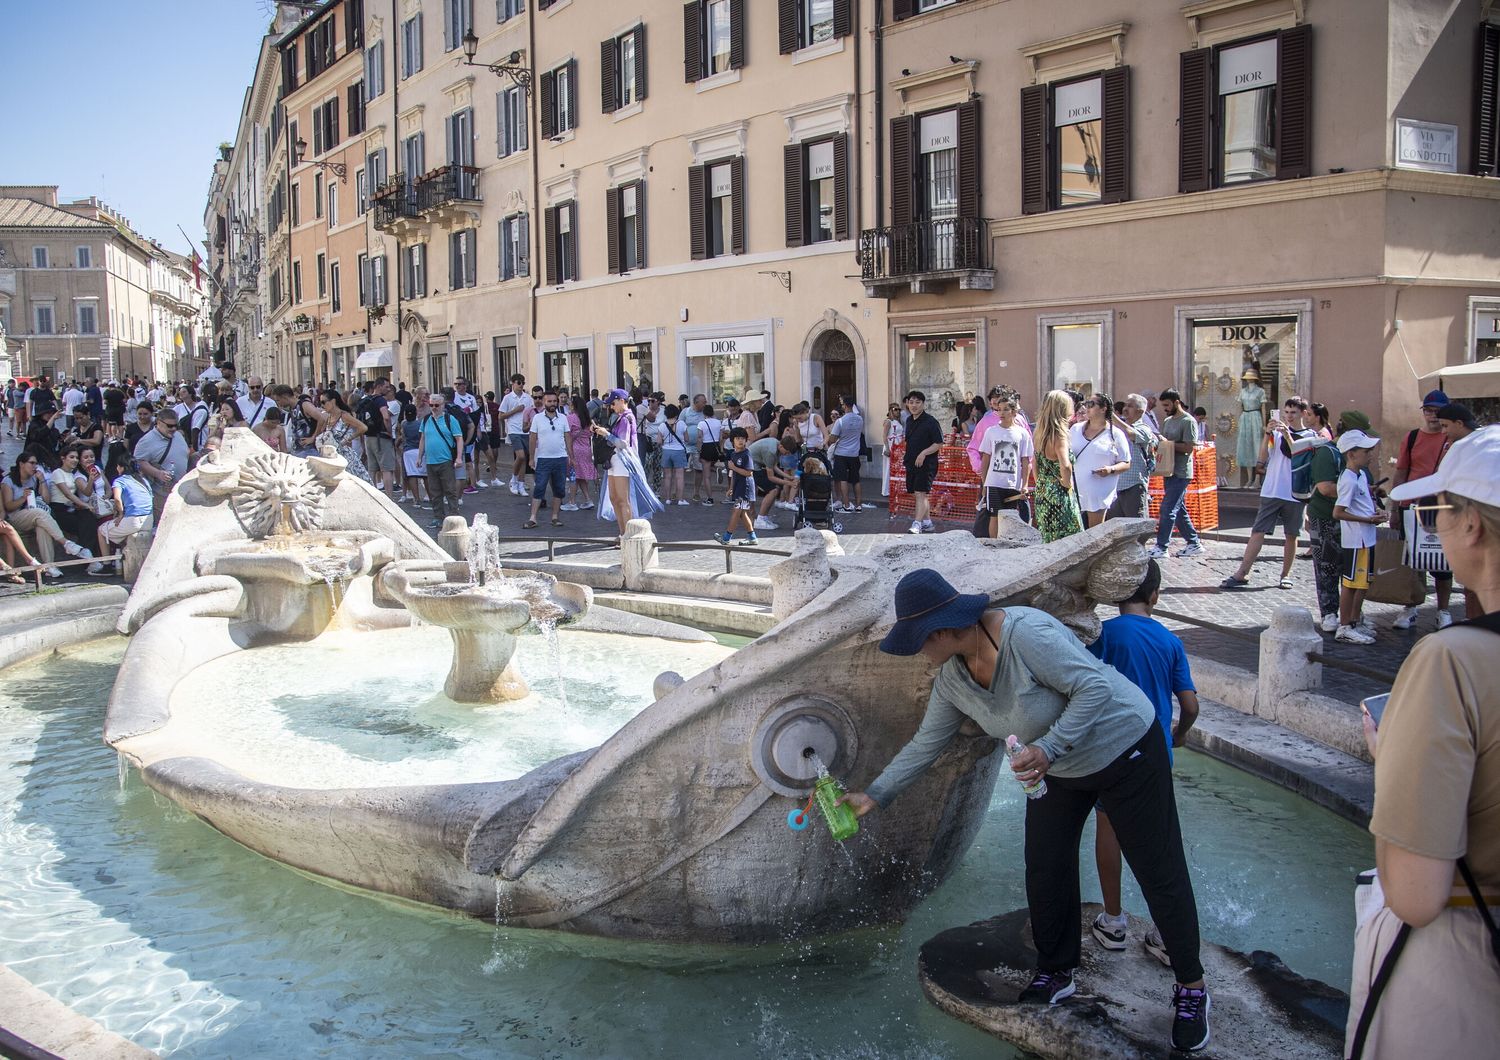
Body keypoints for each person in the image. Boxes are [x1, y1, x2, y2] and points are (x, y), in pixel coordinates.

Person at [839, 570, 1212, 1055]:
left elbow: (1095, 688)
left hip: (1125, 747)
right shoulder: (953, 678)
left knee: (1156, 868)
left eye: (918, 641)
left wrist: (1051, 747)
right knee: (1045, 864)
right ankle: (1057, 971)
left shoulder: (1026, 632)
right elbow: (925, 744)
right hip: (1058, 769)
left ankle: (1191, 988)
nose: (917, 653)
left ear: (943, 631)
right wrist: (875, 795)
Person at [1347, 427, 1500, 1059]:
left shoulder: (1452, 663)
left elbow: (1414, 894)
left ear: (1474, 529)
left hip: (1461, 969)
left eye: (1439, 510)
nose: (1432, 525)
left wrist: (1394, 763)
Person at [1086, 560, 1200, 960]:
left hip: (1110, 749)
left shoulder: (1103, 634)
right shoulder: (1170, 641)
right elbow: (1189, 704)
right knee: (1159, 839)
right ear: (1155, 595)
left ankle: (1113, 920)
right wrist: (1180, 734)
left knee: (1109, 828)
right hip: (1155, 752)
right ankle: (1167, 935)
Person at [1221, 396, 1317, 590]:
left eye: (1293, 413)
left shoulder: (1311, 436)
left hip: (1294, 492)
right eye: (1287, 412)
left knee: (1292, 534)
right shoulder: (1278, 433)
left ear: (1303, 414)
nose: (1289, 417)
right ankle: (1242, 572)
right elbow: (1263, 457)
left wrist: (1288, 436)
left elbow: (1299, 455)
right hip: (1272, 489)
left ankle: (1285, 575)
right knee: (1258, 530)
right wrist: (1267, 434)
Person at [1389, 390, 1457, 631]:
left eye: (1438, 411)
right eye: (1429, 410)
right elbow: (1401, 472)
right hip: (1412, 506)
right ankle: (1411, 607)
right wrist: (1395, 507)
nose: (1433, 415)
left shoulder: (1452, 438)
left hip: (1441, 507)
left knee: (1442, 563)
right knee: (1411, 561)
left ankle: (1443, 610)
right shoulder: (1413, 437)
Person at [1306, 411, 1369, 633]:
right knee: (1326, 567)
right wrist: (1357, 493)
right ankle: (1329, 613)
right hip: (1325, 517)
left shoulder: (1359, 456)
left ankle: (1350, 613)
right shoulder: (1327, 453)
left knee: (1349, 568)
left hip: (1352, 522)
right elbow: (1325, 487)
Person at [2, 452, 92, 578]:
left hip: (33, 515)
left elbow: (46, 500)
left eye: (36, 463)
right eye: (32, 463)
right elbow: (8, 506)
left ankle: (50, 566)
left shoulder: (33, 479)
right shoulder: (8, 481)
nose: (35, 466)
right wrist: (23, 498)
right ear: (21, 464)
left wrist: (42, 481)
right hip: (15, 517)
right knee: (40, 514)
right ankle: (66, 543)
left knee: (42, 527)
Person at [1333, 430, 1384, 645]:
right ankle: (1345, 626)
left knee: (1362, 583)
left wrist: (1372, 494)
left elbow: (1360, 499)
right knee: (1351, 584)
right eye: (1366, 451)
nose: (1371, 454)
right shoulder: (1349, 480)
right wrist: (1368, 520)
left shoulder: (1360, 475)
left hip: (1366, 538)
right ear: (1352, 454)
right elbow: (1338, 512)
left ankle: (1354, 621)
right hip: (1356, 540)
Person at [592, 388, 662, 536]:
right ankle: (622, 532)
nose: (611, 406)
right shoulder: (620, 417)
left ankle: (627, 534)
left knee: (622, 499)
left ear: (621, 401)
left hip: (623, 460)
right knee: (614, 498)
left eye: (613, 403)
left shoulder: (626, 417)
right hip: (614, 459)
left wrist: (606, 434)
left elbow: (623, 443)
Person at [1148, 390, 1204, 559]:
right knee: (1179, 510)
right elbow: (1163, 444)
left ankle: (1162, 546)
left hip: (1181, 472)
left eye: (1166, 405)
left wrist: (1168, 443)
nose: (1164, 409)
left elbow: (1188, 448)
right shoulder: (1167, 421)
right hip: (1168, 470)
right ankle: (1194, 543)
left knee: (1168, 508)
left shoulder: (1188, 421)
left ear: (1176, 402)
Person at [1069, 393, 1131, 528]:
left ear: (1103, 409)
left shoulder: (1115, 434)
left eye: (1091, 404)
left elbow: (1126, 462)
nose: (1087, 408)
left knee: (1094, 533)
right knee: (1074, 533)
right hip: (1074, 490)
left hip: (1098, 492)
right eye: (1086, 404)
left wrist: (1110, 469)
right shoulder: (1075, 429)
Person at [976, 395, 1034, 536]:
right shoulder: (991, 431)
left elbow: (1026, 461)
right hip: (994, 483)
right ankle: (994, 545)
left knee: (1010, 518)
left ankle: (1007, 544)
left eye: (1006, 409)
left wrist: (1024, 485)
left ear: (1014, 412)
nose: (1001, 413)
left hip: (1013, 484)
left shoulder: (1023, 433)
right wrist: (984, 483)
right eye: (999, 409)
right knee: (994, 516)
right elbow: (985, 459)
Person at [92, 450, 154, 576]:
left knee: (101, 530)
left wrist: (120, 515)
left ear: (120, 467)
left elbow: (117, 499)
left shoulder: (119, 481)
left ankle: (107, 565)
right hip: (149, 520)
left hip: (133, 521)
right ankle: (120, 561)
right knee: (122, 532)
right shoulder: (143, 480)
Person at [1032, 390, 1083, 543]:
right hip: (1058, 492)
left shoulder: (1039, 432)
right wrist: (1066, 484)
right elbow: (1065, 465)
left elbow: (1034, 462)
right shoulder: (1059, 435)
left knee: (1047, 535)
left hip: (1042, 490)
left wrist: (1040, 482)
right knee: (1068, 536)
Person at [524, 389, 571, 529]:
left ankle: (555, 517)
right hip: (544, 458)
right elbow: (532, 438)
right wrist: (531, 458)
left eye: (554, 401)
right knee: (539, 487)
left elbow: (568, 436)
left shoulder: (563, 417)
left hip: (561, 458)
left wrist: (571, 456)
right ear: (544, 402)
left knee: (559, 489)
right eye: (549, 401)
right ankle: (533, 518)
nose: (552, 404)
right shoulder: (537, 418)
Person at [131, 408, 189, 521]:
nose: (173, 429)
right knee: (164, 522)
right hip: (162, 492)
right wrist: (158, 473)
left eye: (176, 425)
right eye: (169, 426)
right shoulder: (146, 441)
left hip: (181, 489)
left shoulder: (178, 435)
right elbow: (139, 461)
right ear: (158, 423)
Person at [418, 392, 464, 529]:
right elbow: (423, 439)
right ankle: (438, 517)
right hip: (430, 461)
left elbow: (459, 438)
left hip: (445, 460)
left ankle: (454, 516)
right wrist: (419, 456)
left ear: (443, 405)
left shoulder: (450, 420)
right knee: (434, 491)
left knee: (450, 489)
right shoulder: (426, 420)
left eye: (436, 405)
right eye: (431, 405)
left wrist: (459, 457)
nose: (434, 407)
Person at [1110, 394, 1158, 520]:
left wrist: (1113, 417)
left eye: (1130, 406)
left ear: (1140, 411)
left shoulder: (1144, 429)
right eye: (1125, 405)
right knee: (1114, 528)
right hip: (1116, 485)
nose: (1125, 408)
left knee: (1136, 525)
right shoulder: (1117, 427)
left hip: (1134, 485)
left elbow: (1130, 433)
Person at [903, 390, 944, 534]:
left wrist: (923, 453)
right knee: (916, 493)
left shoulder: (931, 422)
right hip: (911, 462)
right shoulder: (908, 420)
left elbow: (938, 443)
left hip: (927, 464)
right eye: (911, 402)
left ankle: (917, 524)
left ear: (923, 404)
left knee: (921, 493)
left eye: (917, 402)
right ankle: (927, 522)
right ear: (907, 404)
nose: (914, 405)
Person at [714, 427, 759, 547]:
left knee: (736, 511)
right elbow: (734, 474)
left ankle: (726, 537)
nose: (740, 441)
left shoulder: (746, 454)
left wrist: (734, 468)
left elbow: (749, 473)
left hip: (745, 489)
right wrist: (731, 487)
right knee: (742, 513)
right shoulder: (734, 454)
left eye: (743, 439)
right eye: (737, 438)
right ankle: (752, 537)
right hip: (738, 487)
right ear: (732, 440)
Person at [313, 389, 370, 482]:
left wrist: (348, 438)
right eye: (320, 402)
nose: (322, 405)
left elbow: (363, 427)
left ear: (333, 401)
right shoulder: (328, 417)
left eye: (323, 402)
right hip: (332, 456)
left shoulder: (344, 415)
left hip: (344, 455)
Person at [827, 395, 870, 514]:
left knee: (843, 480)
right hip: (854, 453)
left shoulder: (840, 421)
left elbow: (833, 439)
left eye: (842, 404)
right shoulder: (859, 419)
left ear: (845, 406)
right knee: (856, 480)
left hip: (841, 453)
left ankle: (846, 505)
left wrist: (831, 437)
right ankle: (858, 505)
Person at [562, 394, 597, 512]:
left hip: (575, 450)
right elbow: (591, 433)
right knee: (581, 476)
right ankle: (588, 500)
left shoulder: (571, 418)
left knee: (574, 476)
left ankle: (572, 501)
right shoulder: (587, 419)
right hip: (586, 449)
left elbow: (566, 433)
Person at [651, 403, 691, 507]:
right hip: (679, 451)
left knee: (667, 477)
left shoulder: (662, 425)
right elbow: (687, 439)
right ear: (677, 413)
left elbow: (659, 441)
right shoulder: (682, 424)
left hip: (666, 451)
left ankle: (668, 499)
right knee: (679, 476)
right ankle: (680, 499)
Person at [498, 374, 531, 495]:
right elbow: (500, 416)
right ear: (512, 383)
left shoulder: (528, 398)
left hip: (525, 430)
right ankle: (513, 479)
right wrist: (515, 410)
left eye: (523, 382)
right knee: (521, 456)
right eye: (518, 382)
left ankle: (521, 484)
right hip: (513, 430)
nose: (521, 385)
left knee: (524, 458)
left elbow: (531, 412)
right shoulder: (508, 398)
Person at [694, 402, 723, 506]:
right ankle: (716, 468)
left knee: (706, 476)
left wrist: (698, 451)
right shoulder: (719, 422)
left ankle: (710, 498)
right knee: (712, 463)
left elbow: (700, 438)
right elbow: (720, 438)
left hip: (706, 447)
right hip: (716, 446)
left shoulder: (702, 423)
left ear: (704, 413)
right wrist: (721, 449)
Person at [882, 403, 905, 499]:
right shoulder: (888, 422)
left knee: (897, 469)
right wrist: (887, 448)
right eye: (896, 409)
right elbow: (884, 436)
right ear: (891, 410)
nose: (898, 411)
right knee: (888, 469)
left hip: (898, 447)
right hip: (890, 446)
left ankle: (896, 488)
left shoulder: (898, 422)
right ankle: (886, 490)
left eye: (899, 409)